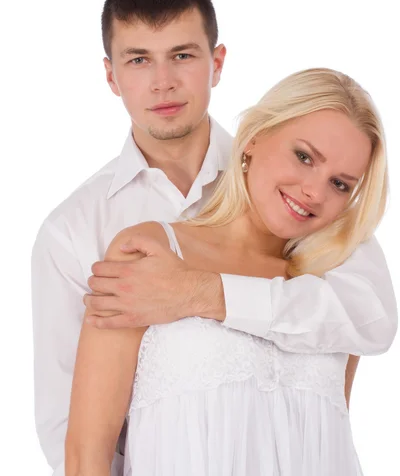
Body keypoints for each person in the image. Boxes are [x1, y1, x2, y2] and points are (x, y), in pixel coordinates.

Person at [31, 0, 383, 476]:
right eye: (138, 60)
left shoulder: (311, 218)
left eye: (182, 55)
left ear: (216, 62)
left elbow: (359, 334)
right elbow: (75, 441)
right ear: (111, 74)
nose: (163, 82)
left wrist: (196, 293)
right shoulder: (82, 232)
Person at [65, 67, 397, 475]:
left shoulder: (326, 291)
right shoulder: (148, 254)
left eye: (341, 184)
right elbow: (86, 456)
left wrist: (197, 293)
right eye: (304, 156)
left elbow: (326, 438)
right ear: (255, 138)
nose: (315, 191)